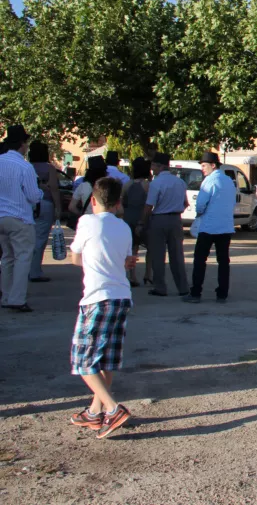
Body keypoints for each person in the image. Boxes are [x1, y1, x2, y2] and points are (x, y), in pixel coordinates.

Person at [67, 177, 135, 438]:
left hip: (97, 297)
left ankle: (112, 408)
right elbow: (127, 260)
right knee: (106, 359)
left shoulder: (86, 222)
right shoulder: (124, 227)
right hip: (121, 296)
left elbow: (76, 258)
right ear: (118, 204)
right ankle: (95, 412)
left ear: (93, 200)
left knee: (83, 361)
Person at [0, 126, 44, 312]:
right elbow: (33, 196)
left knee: (7, 258)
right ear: (21, 145)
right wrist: (41, 191)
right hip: (20, 217)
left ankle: (6, 295)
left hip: (1, 215)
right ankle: (17, 298)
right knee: (22, 257)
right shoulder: (25, 167)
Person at [185, 152, 237, 304]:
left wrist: (200, 213)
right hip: (226, 226)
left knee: (200, 260)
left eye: (203, 166)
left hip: (208, 226)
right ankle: (222, 294)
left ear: (213, 165)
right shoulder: (229, 181)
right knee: (223, 261)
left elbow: (201, 204)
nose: (202, 169)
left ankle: (195, 293)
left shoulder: (209, 181)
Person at [140, 152, 189, 297]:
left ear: (159, 166)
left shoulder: (156, 183)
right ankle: (183, 287)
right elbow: (185, 203)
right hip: (176, 220)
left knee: (158, 255)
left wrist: (142, 222)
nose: (152, 168)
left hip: (159, 219)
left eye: (153, 165)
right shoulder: (180, 182)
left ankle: (160, 287)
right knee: (177, 255)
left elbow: (149, 206)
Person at [28, 141, 62, 283]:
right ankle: (35, 271)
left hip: (28, 204)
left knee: (28, 238)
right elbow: (54, 188)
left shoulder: (27, 167)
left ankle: (25, 268)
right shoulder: (49, 169)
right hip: (45, 203)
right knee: (40, 239)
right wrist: (58, 207)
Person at [121, 157, 151, 287]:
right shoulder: (147, 185)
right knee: (150, 247)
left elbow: (123, 201)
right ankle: (148, 274)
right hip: (143, 217)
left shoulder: (127, 184)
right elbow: (150, 203)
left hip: (129, 217)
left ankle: (132, 276)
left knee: (133, 248)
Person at [70, 156, 108, 221]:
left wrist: (82, 214)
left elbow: (71, 207)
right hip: (104, 221)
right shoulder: (108, 186)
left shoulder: (83, 186)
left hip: (87, 221)